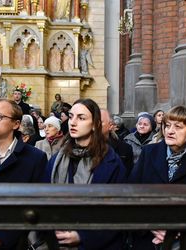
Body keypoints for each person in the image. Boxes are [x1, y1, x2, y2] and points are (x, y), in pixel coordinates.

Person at [129, 106, 186, 250]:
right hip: (150, 238)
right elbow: (133, 193)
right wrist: (151, 225)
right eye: (167, 125)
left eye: (178, 127)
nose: (170, 131)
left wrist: (184, 228)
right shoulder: (149, 152)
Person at [45, 98, 126, 249]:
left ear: (95, 125)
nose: (73, 122)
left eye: (81, 118)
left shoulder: (112, 163)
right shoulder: (57, 159)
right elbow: (44, 200)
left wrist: (82, 235)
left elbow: (118, 214)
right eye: (70, 117)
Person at [0, 98, 47, 249]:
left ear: (16, 124)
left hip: (13, 242)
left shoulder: (35, 158)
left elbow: (34, 207)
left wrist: (0, 239)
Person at [101, 109, 134, 177]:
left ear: (110, 126)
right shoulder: (83, 147)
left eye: (99, 122)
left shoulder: (125, 149)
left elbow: (127, 176)